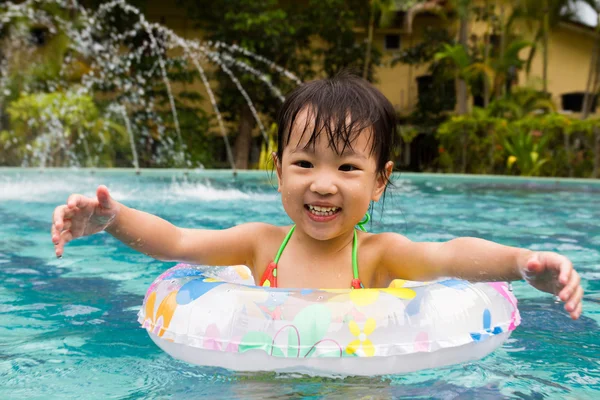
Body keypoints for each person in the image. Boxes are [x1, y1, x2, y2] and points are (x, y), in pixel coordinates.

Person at [51, 73, 583, 319]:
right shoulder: (261, 247)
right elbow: (181, 241)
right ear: (277, 171)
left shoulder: (378, 256)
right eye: (303, 163)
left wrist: (521, 263)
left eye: (348, 167)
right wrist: (112, 219)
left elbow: (449, 255)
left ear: (380, 180)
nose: (323, 183)